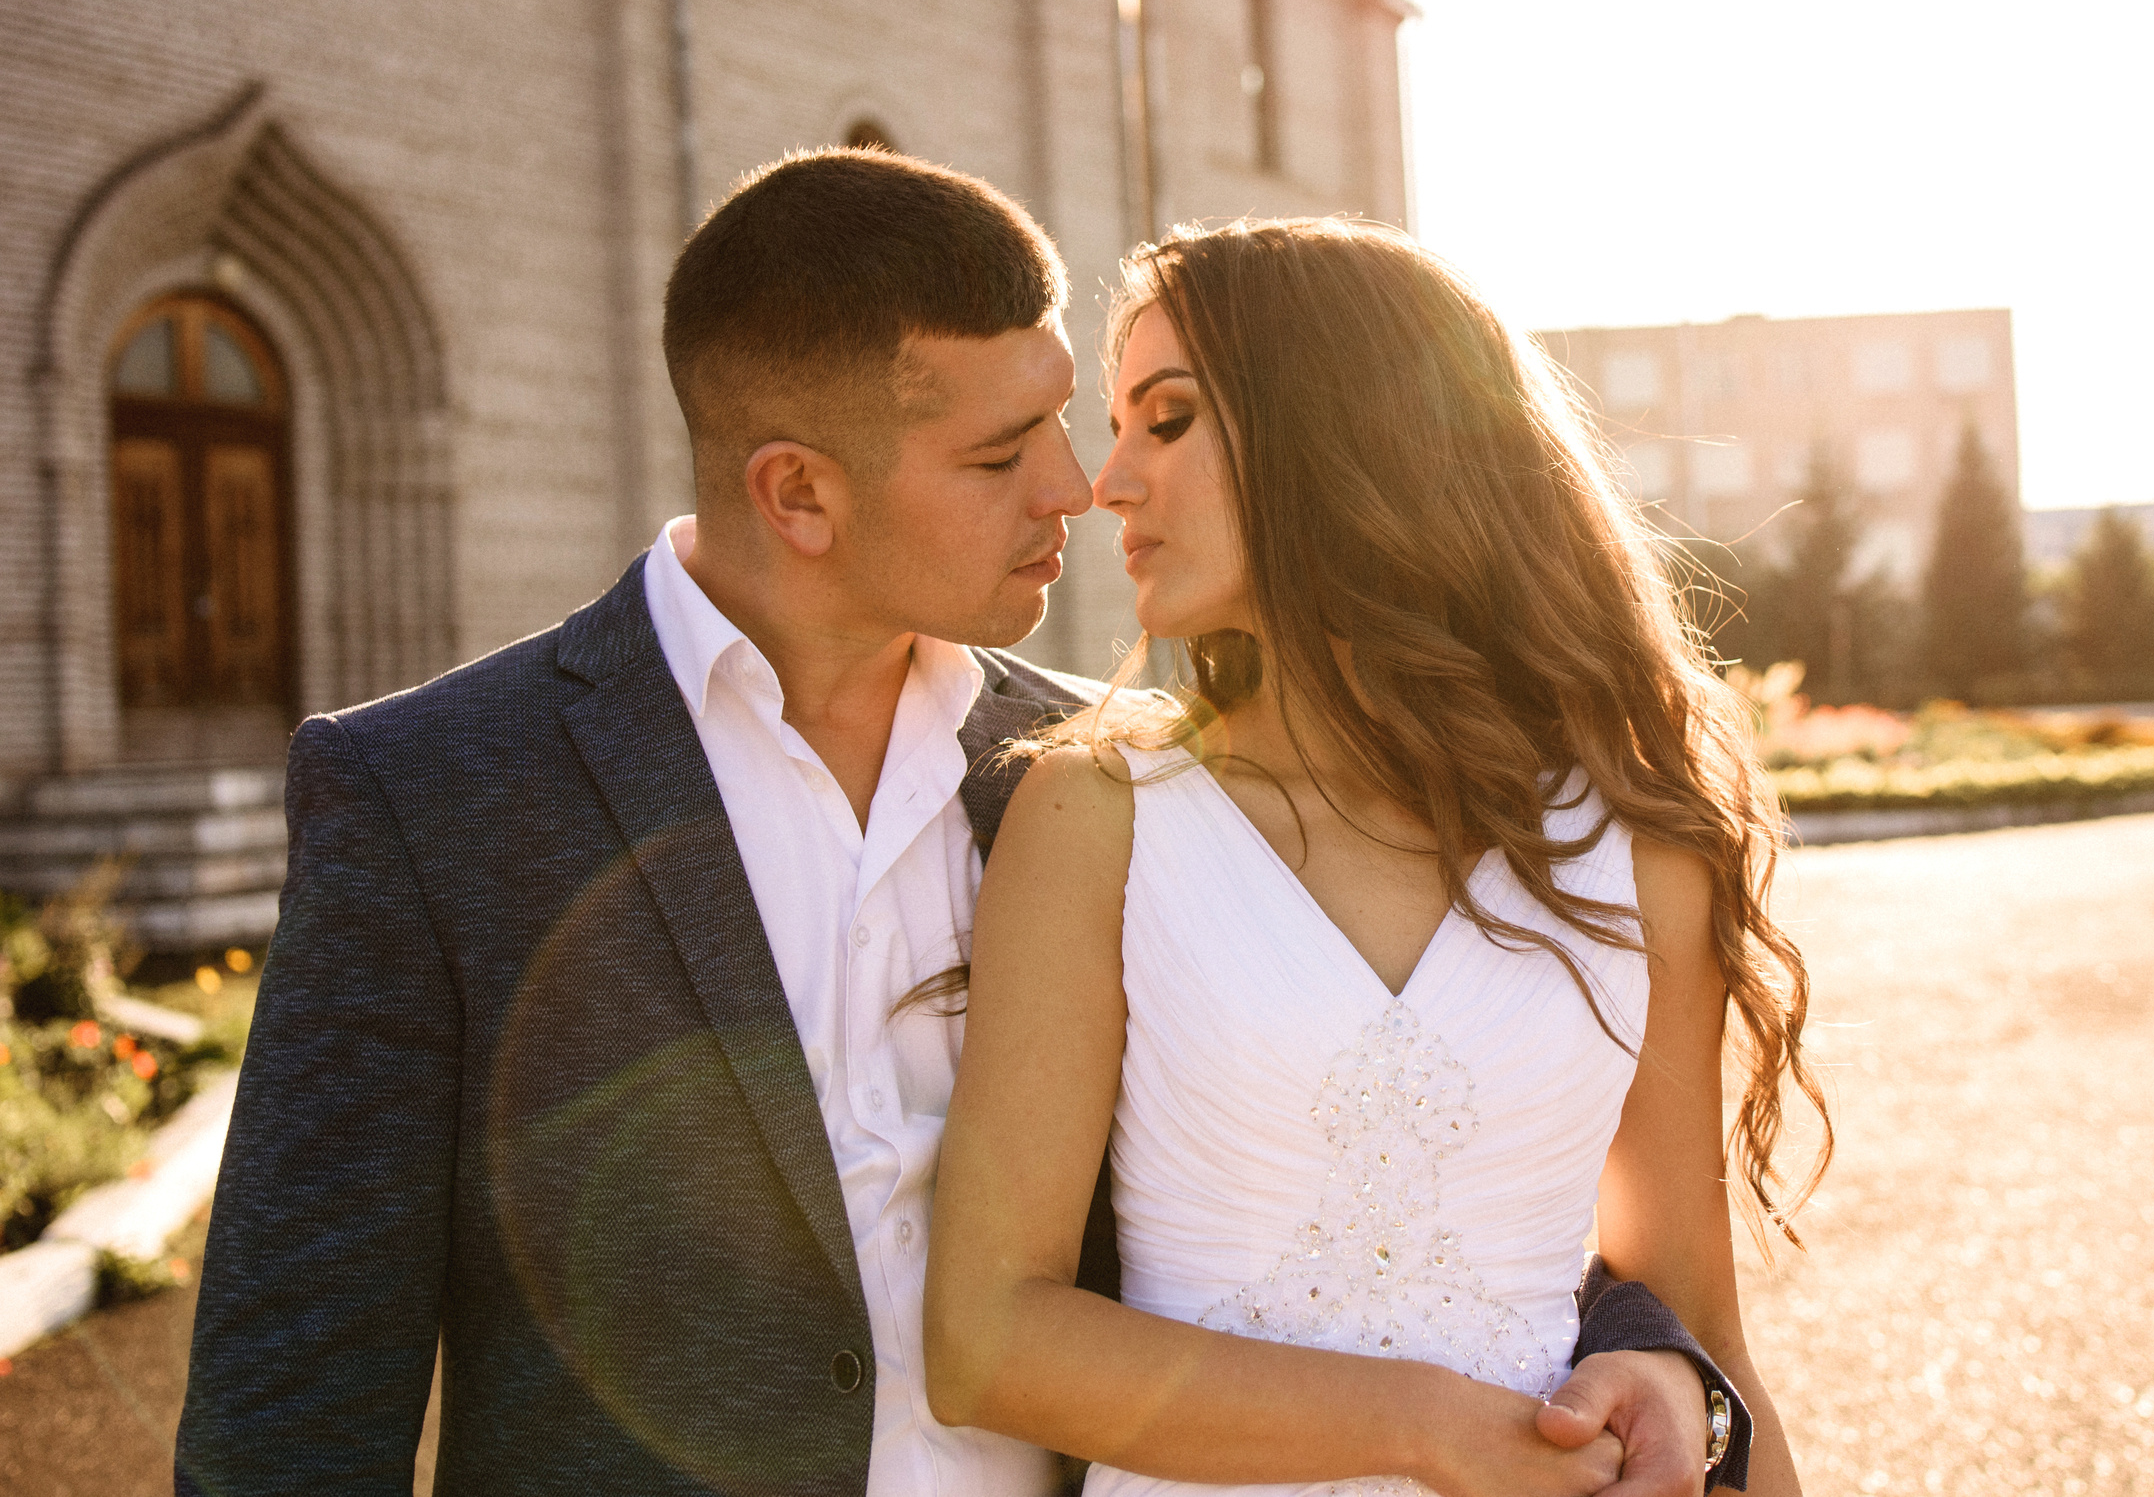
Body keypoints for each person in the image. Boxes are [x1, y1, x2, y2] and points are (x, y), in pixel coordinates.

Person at [176, 151, 1735, 1495]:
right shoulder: (436, 795)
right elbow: (295, 1394)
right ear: (799, 494)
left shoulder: (1088, 773)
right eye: (1002, 457)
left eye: (1078, 420)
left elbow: (1374, 1160)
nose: (1078, 488)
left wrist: (1650, 1348)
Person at [925, 219, 1829, 1494]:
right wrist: (1420, 1425)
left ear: (1342, 427)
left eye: (1165, 420)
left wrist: (1695, 1401)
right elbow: (985, 1338)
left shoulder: (1635, 846)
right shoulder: (1097, 816)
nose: (1104, 479)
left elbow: (1698, 1321)